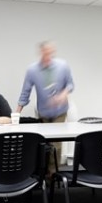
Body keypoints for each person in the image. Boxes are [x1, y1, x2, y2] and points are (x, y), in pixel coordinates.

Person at [17, 41, 74, 176]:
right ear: (41, 52)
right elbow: (25, 92)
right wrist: (17, 114)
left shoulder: (62, 66)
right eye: (46, 52)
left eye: (51, 52)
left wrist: (63, 95)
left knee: (56, 144)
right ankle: (42, 173)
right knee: (44, 143)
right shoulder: (33, 70)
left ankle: (52, 176)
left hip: (60, 111)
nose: (48, 55)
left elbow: (70, 84)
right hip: (43, 112)